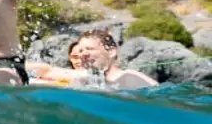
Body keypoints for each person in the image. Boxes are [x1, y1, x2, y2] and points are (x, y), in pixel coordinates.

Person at [29, 30, 157, 89]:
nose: (83, 54)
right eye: (80, 51)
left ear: (111, 52)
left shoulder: (130, 77)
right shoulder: (87, 80)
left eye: (89, 49)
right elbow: (47, 71)